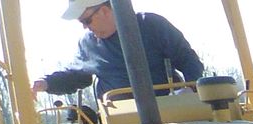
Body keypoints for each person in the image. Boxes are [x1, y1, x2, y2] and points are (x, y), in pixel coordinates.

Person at [33, 2, 203, 99]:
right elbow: (77, 75)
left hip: (168, 113)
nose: (85, 27)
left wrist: (190, 88)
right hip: (115, 121)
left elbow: (188, 60)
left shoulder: (151, 25)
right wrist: (47, 83)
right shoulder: (88, 44)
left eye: (86, 20)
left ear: (105, 10)